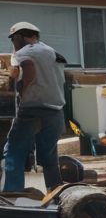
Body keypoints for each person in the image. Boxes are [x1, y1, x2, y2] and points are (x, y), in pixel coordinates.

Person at [4, 22, 66, 192]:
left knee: (14, 152)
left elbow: (28, 70)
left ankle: (12, 192)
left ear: (19, 38)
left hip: (32, 109)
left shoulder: (24, 52)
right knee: (49, 156)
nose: (13, 44)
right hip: (55, 111)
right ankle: (55, 192)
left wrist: (22, 91)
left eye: (13, 40)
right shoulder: (53, 53)